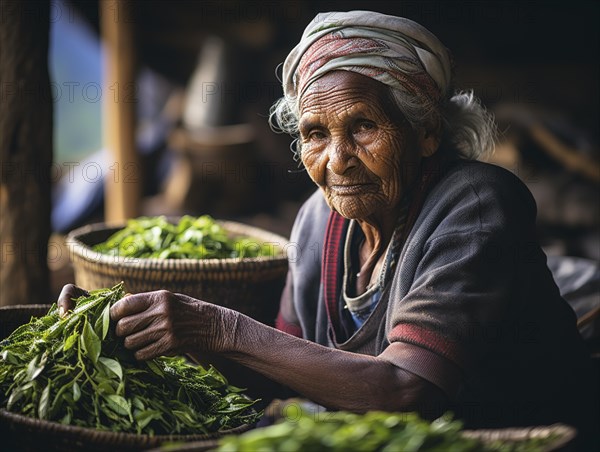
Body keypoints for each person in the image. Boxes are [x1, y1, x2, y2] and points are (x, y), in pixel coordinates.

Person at [59, 10, 597, 447]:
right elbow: (284, 368)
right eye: (315, 133)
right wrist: (150, 335)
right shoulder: (319, 219)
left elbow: (406, 389)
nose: (338, 160)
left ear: (427, 131)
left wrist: (220, 327)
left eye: (363, 126)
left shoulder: (476, 203)